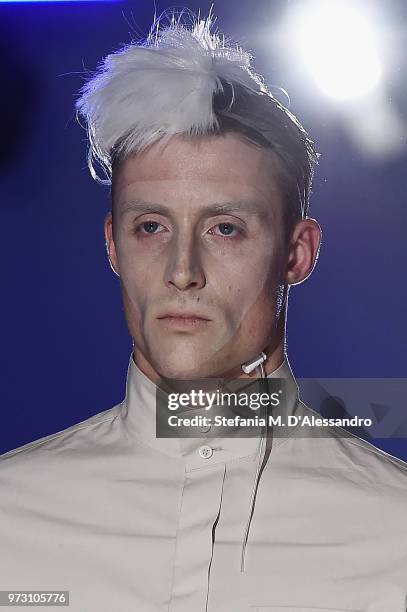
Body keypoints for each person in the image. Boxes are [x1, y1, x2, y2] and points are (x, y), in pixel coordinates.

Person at [1, 10, 406, 612]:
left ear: (297, 253)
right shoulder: (11, 516)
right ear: (113, 244)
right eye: (151, 226)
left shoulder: (394, 535)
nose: (181, 269)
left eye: (225, 227)